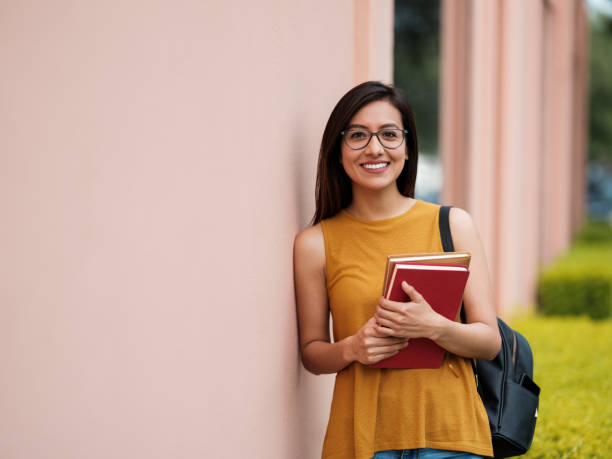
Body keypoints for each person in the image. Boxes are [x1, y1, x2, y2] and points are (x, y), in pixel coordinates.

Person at [293, 81, 501, 459]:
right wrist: (352, 347)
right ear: (337, 151)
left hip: (451, 438)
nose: (375, 148)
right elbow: (311, 352)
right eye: (358, 135)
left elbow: (490, 341)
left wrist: (433, 326)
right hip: (362, 441)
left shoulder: (453, 224)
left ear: (407, 147)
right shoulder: (315, 243)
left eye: (389, 135)